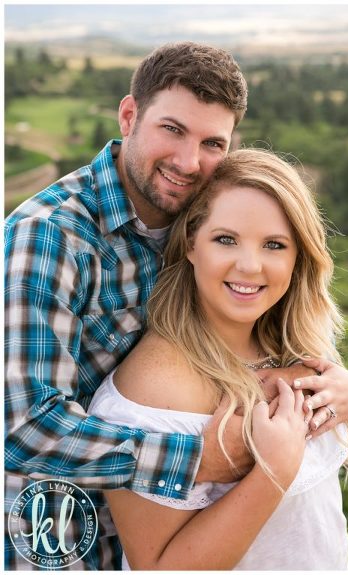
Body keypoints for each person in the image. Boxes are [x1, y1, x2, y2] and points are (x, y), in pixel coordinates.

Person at [4, 42, 325, 570]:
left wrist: (347, 391)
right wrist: (199, 459)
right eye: (172, 129)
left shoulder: (196, 215)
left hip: (164, 523)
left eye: (211, 142)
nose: (188, 161)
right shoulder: (50, 238)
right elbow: (21, 429)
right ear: (129, 116)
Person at [86, 148, 348, 570]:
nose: (249, 265)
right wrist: (272, 473)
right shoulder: (154, 393)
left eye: (274, 245)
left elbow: (337, 458)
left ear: (299, 258)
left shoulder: (296, 346)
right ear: (190, 243)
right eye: (226, 239)